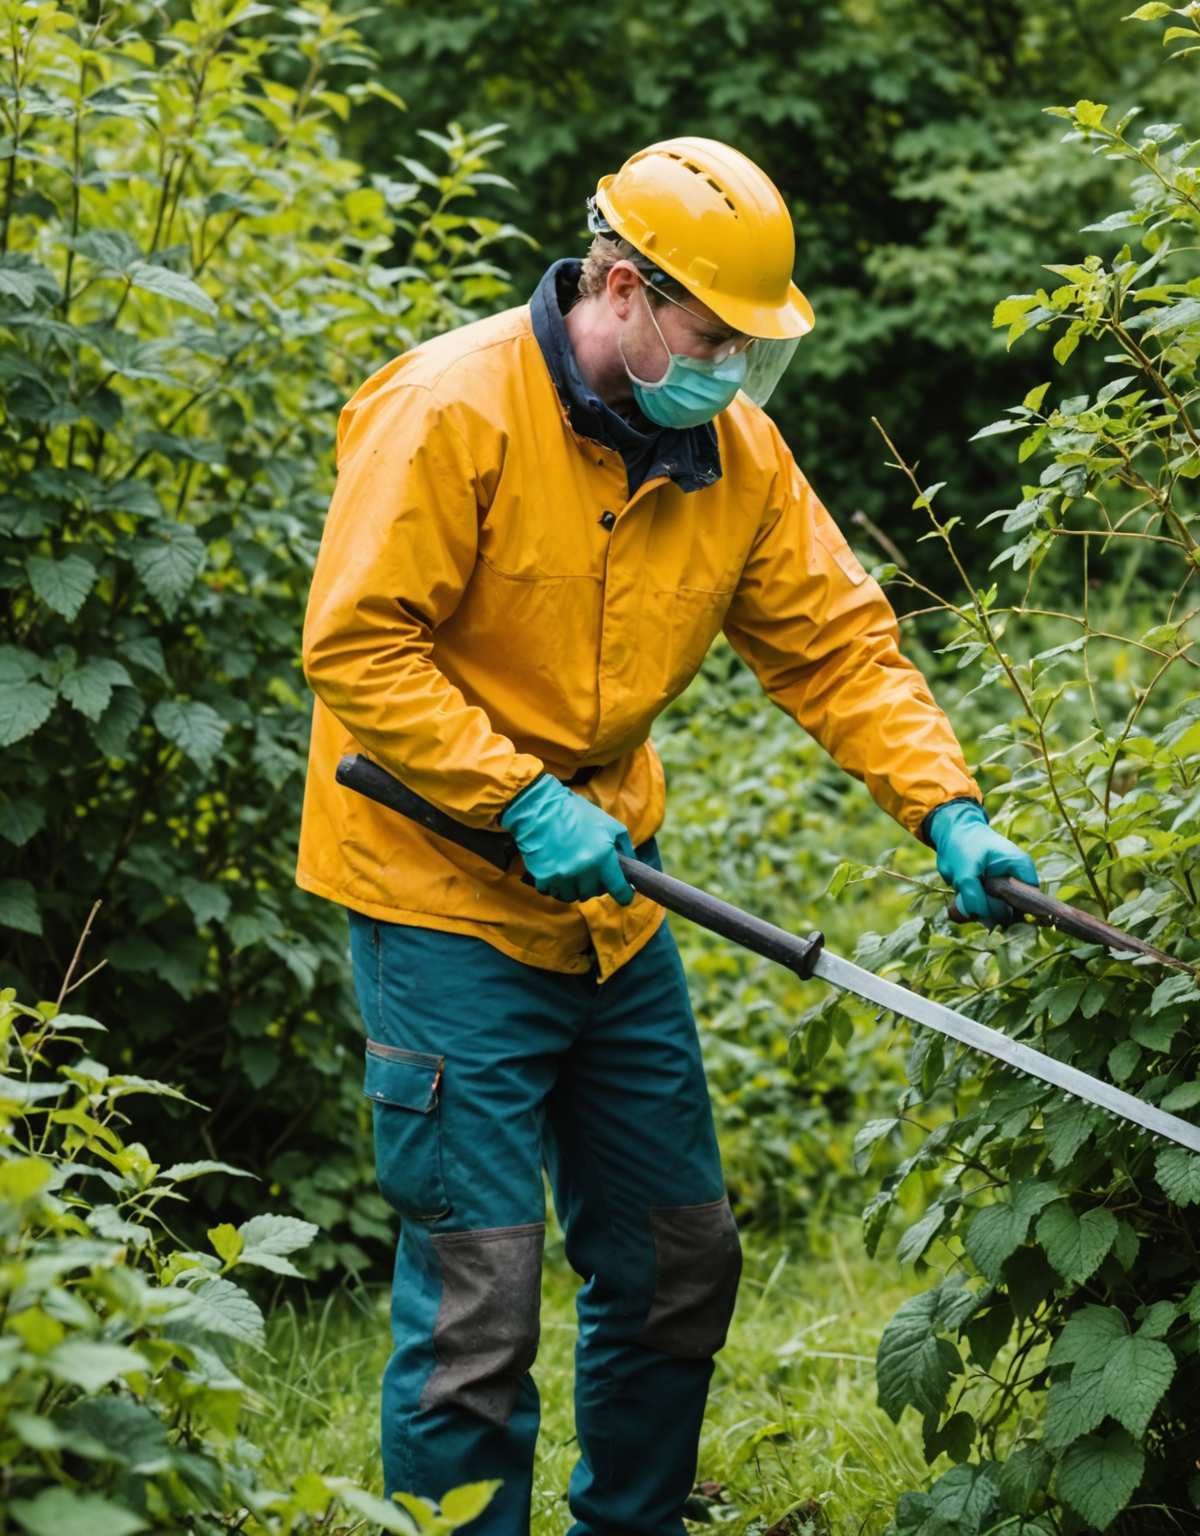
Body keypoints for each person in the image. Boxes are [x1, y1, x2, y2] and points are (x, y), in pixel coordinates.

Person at [295, 135, 1039, 1536]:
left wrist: (950, 809)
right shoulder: (450, 409)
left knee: (677, 1263)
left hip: (610, 899)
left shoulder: (730, 450)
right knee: (479, 1308)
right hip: (441, 890)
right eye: (714, 340)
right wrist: (514, 796)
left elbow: (835, 649)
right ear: (620, 286)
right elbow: (358, 646)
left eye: (754, 351)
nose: (735, 377)